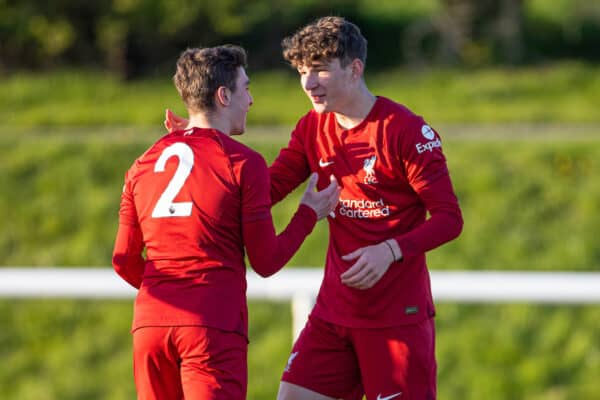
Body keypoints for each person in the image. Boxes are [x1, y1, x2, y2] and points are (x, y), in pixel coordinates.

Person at [166, 16, 463, 400]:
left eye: (320, 70)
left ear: (355, 69)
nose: (308, 83)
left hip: (395, 319)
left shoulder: (404, 131)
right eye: (303, 71)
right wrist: (202, 143)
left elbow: (449, 219)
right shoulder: (312, 128)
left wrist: (389, 251)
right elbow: (264, 190)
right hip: (333, 314)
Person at [113, 44, 340, 400]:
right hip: (211, 326)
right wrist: (308, 213)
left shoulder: (143, 163)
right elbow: (266, 262)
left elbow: (123, 260)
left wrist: (171, 295)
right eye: (246, 88)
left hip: (150, 327)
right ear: (223, 95)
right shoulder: (243, 162)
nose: (250, 100)